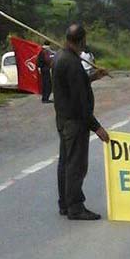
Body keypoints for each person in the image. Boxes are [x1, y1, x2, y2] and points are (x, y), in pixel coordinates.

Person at [52, 24, 110, 220]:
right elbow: (80, 103)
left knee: (65, 163)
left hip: (63, 118)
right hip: (75, 122)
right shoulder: (72, 63)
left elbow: (73, 85)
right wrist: (97, 127)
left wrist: (93, 76)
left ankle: (65, 204)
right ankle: (75, 207)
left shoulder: (61, 56)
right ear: (82, 40)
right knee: (76, 165)